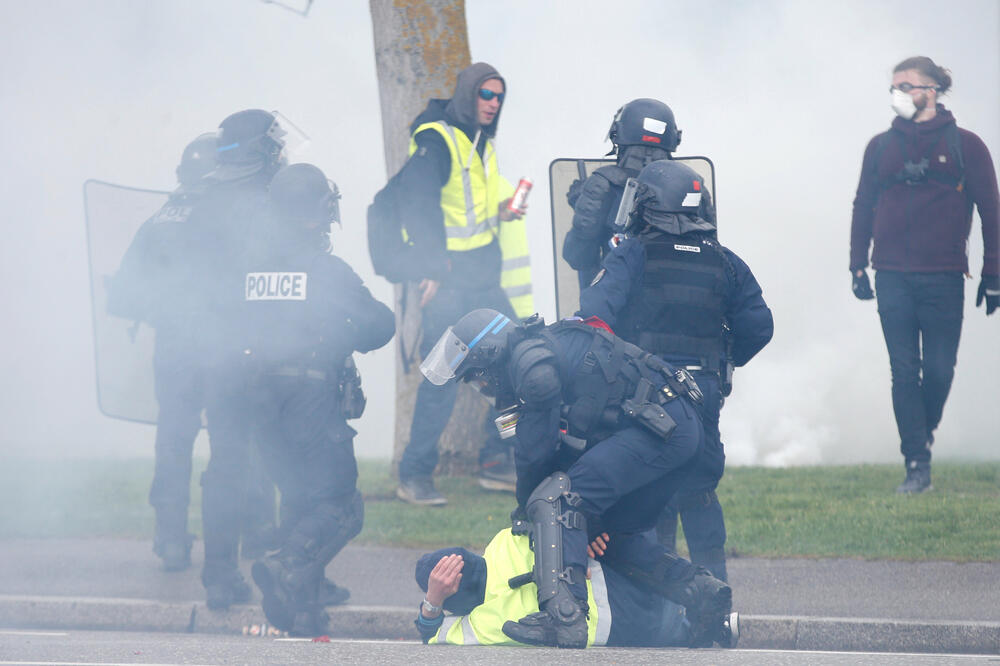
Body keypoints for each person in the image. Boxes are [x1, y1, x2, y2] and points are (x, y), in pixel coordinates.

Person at [420, 309, 732, 649]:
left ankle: (564, 617)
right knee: (603, 534)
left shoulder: (531, 367)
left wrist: (528, 510)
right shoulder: (541, 352)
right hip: (675, 429)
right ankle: (701, 592)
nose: (482, 386)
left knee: (555, 500)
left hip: (661, 429)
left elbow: (535, 453)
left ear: (490, 354)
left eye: (478, 377)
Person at [578, 159, 773, 582]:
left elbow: (593, 316)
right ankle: (714, 599)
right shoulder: (726, 261)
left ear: (648, 205)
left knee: (650, 493)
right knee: (700, 492)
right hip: (702, 393)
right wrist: (723, 361)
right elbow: (760, 327)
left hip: (644, 395)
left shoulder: (632, 253)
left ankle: (659, 611)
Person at [106, 133, 277, 573]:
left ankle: (170, 541)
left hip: (173, 349)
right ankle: (254, 534)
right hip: (223, 346)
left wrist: (160, 308)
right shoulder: (229, 213)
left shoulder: (161, 217)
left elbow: (123, 295)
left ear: (182, 174)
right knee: (236, 441)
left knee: (173, 442)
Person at [245, 163, 396, 637]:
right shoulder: (325, 271)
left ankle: (303, 613)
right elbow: (379, 325)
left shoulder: (250, 271)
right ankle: (286, 566)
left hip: (260, 405)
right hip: (310, 401)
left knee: (297, 502)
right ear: (317, 217)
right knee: (339, 505)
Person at [849, 56, 999, 494]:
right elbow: (863, 205)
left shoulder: (967, 146)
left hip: (945, 277)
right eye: (893, 87)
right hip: (891, 275)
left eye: (906, 85)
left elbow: (991, 211)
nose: (897, 94)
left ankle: (922, 433)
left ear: (931, 90)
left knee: (938, 369)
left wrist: (993, 272)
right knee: (903, 370)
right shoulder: (880, 146)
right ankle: (917, 462)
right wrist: (857, 262)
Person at [394, 62, 526, 506]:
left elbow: (469, 213)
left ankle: (495, 459)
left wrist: (502, 211)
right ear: (468, 93)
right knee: (440, 378)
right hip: (449, 287)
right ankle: (413, 475)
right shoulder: (436, 136)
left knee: (523, 363)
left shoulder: (480, 140)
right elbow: (416, 204)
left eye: (499, 98)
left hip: (483, 283)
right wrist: (429, 267)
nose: (493, 104)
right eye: (486, 95)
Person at [185, 109, 293, 609]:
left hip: (214, 350)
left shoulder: (204, 200)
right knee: (275, 456)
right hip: (262, 351)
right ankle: (285, 568)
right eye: (274, 148)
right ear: (260, 154)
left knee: (226, 464)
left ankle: (221, 573)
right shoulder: (269, 204)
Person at [412, 528, 738, 648]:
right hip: (635, 585)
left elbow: (431, 634)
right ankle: (707, 611)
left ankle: (710, 629)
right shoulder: (506, 539)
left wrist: (433, 600)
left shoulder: (484, 626)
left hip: (626, 629)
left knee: (674, 634)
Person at [562, 98, 681, 291]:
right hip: (677, 303)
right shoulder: (693, 185)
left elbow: (578, 256)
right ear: (673, 139)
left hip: (617, 307)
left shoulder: (603, 183)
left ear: (617, 135)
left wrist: (582, 205)